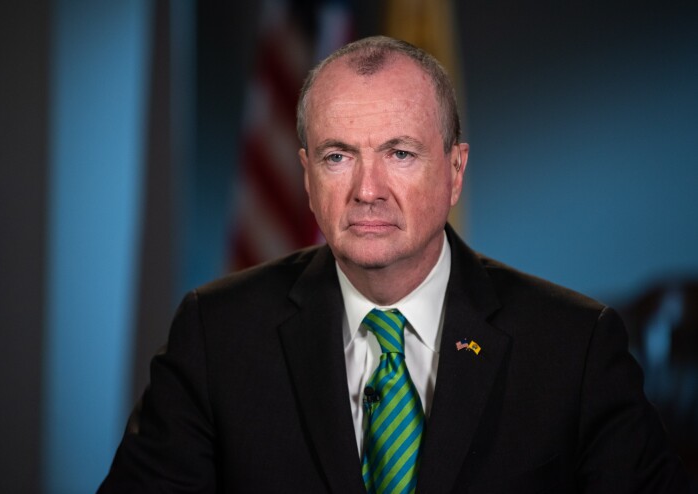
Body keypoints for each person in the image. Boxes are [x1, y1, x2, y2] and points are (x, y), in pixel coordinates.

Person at [98, 36, 688, 493]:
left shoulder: (573, 346)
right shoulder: (217, 335)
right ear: (305, 177)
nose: (367, 190)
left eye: (400, 154)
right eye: (338, 157)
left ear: (455, 171)